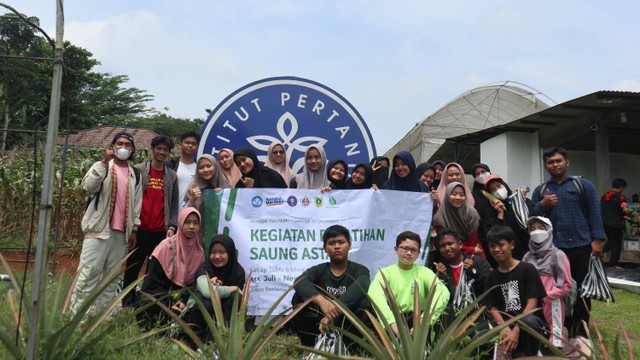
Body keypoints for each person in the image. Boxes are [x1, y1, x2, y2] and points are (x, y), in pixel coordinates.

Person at [531, 146, 605, 340]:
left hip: (581, 246)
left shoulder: (583, 185)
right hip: (553, 250)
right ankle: (560, 326)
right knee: (555, 290)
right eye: (550, 162)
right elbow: (532, 220)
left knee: (581, 290)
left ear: (567, 162)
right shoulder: (541, 191)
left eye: (558, 161)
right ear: (545, 166)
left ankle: (581, 330)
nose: (555, 165)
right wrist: (542, 205)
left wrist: (597, 241)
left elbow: (595, 213)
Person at [70, 132, 142, 315]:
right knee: (89, 274)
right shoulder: (102, 167)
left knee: (111, 277)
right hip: (99, 230)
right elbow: (88, 187)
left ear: (132, 149)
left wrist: (134, 229)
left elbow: (136, 205)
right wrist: (103, 162)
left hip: (121, 234)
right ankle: (77, 316)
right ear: (112, 146)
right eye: (119, 143)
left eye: (127, 144)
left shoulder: (135, 174)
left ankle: (104, 314)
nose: (123, 148)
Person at [123, 135, 180, 307]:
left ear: (169, 153)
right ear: (152, 150)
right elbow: (130, 199)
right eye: (159, 149)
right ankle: (126, 301)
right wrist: (132, 227)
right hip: (141, 230)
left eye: (165, 150)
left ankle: (146, 303)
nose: (161, 152)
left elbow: (174, 203)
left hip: (160, 231)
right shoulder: (138, 170)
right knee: (133, 266)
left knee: (153, 269)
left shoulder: (171, 176)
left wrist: (172, 225)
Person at [291, 225, 371, 348]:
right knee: (298, 298)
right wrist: (321, 300)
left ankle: (350, 347)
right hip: (320, 321)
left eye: (341, 242)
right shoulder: (320, 269)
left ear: (349, 245)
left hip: (346, 322)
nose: (337, 246)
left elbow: (363, 284)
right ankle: (309, 346)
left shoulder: (359, 270)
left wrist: (333, 311)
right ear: (325, 248)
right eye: (331, 243)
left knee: (363, 302)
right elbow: (300, 281)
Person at [368, 231, 450, 337]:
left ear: (418, 253)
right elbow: (374, 294)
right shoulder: (385, 273)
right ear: (396, 249)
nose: (408, 253)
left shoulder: (424, 272)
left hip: (419, 319)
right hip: (393, 320)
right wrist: (391, 322)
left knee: (448, 309)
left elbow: (443, 292)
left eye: (413, 250)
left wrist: (424, 321)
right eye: (404, 248)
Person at [484, 225, 548, 358]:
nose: (496, 250)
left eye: (500, 245)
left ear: (511, 245)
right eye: (492, 246)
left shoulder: (527, 270)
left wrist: (517, 330)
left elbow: (532, 304)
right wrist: (504, 327)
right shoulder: (491, 276)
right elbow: (493, 307)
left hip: (527, 324)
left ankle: (528, 355)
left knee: (529, 321)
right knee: (479, 335)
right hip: (505, 325)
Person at [137, 207, 204, 328]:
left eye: (195, 223)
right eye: (187, 222)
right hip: (162, 296)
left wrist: (183, 301)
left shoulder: (199, 253)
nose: (192, 227)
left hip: (184, 300)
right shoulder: (165, 247)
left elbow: (195, 286)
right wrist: (170, 301)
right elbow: (150, 285)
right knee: (147, 303)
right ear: (180, 223)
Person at [183, 234, 246, 341]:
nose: (217, 256)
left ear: (230, 253)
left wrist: (219, 288)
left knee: (237, 299)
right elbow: (207, 292)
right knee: (208, 302)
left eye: (222, 252)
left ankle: (229, 339)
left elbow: (234, 300)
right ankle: (198, 339)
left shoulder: (238, 272)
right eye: (213, 252)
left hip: (225, 318)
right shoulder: (205, 268)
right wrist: (231, 288)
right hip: (199, 320)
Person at [522, 216, 572, 349]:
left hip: (551, 305)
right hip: (530, 303)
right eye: (532, 229)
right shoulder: (527, 256)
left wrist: (545, 297)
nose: (536, 232)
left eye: (541, 228)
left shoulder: (558, 256)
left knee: (554, 341)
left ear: (549, 230)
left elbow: (567, 286)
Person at [431, 229, 491, 327]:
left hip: (481, 318)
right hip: (455, 323)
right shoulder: (441, 270)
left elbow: (489, 289)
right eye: (442, 246)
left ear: (460, 244)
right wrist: (444, 280)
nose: (447, 248)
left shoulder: (477, 261)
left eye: (450, 243)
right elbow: (445, 302)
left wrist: (474, 272)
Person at [484, 174, 535, 260]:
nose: (497, 190)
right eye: (493, 190)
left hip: (529, 252)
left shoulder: (520, 200)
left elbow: (532, 220)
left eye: (498, 186)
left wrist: (522, 202)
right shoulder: (491, 212)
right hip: (509, 257)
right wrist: (500, 213)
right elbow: (494, 236)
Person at [432, 182, 485, 258]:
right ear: (447, 195)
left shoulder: (471, 213)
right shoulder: (440, 217)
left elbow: (472, 241)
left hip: (474, 252)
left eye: (462, 194)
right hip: (450, 253)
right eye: (453, 194)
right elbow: (445, 243)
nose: (458, 197)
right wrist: (471, 250)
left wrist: (471, 252)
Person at [166, 130, 199, 208]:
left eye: (193, 144)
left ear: (197, 148)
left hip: (190, 215)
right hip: (170, 213)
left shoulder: (199, 169)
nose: (190, 145)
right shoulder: (170, 165)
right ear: (180, 145)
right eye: (187, 143)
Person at [601, 178, 627, 269]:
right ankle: (613, 264)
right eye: (623, 188)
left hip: (605, 223)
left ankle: (599, 252)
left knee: (611, 241)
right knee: (616, 244)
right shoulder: (621, 197)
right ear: (620, 187)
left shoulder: (604, 196)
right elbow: (625, 211)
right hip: (616, 224)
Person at [471, 163, 495, 260]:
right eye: (477, 174)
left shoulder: (497, 188)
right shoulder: (473, 196)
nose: (480, 175)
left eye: (483, 172)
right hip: (484, 238)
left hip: (503, 233)